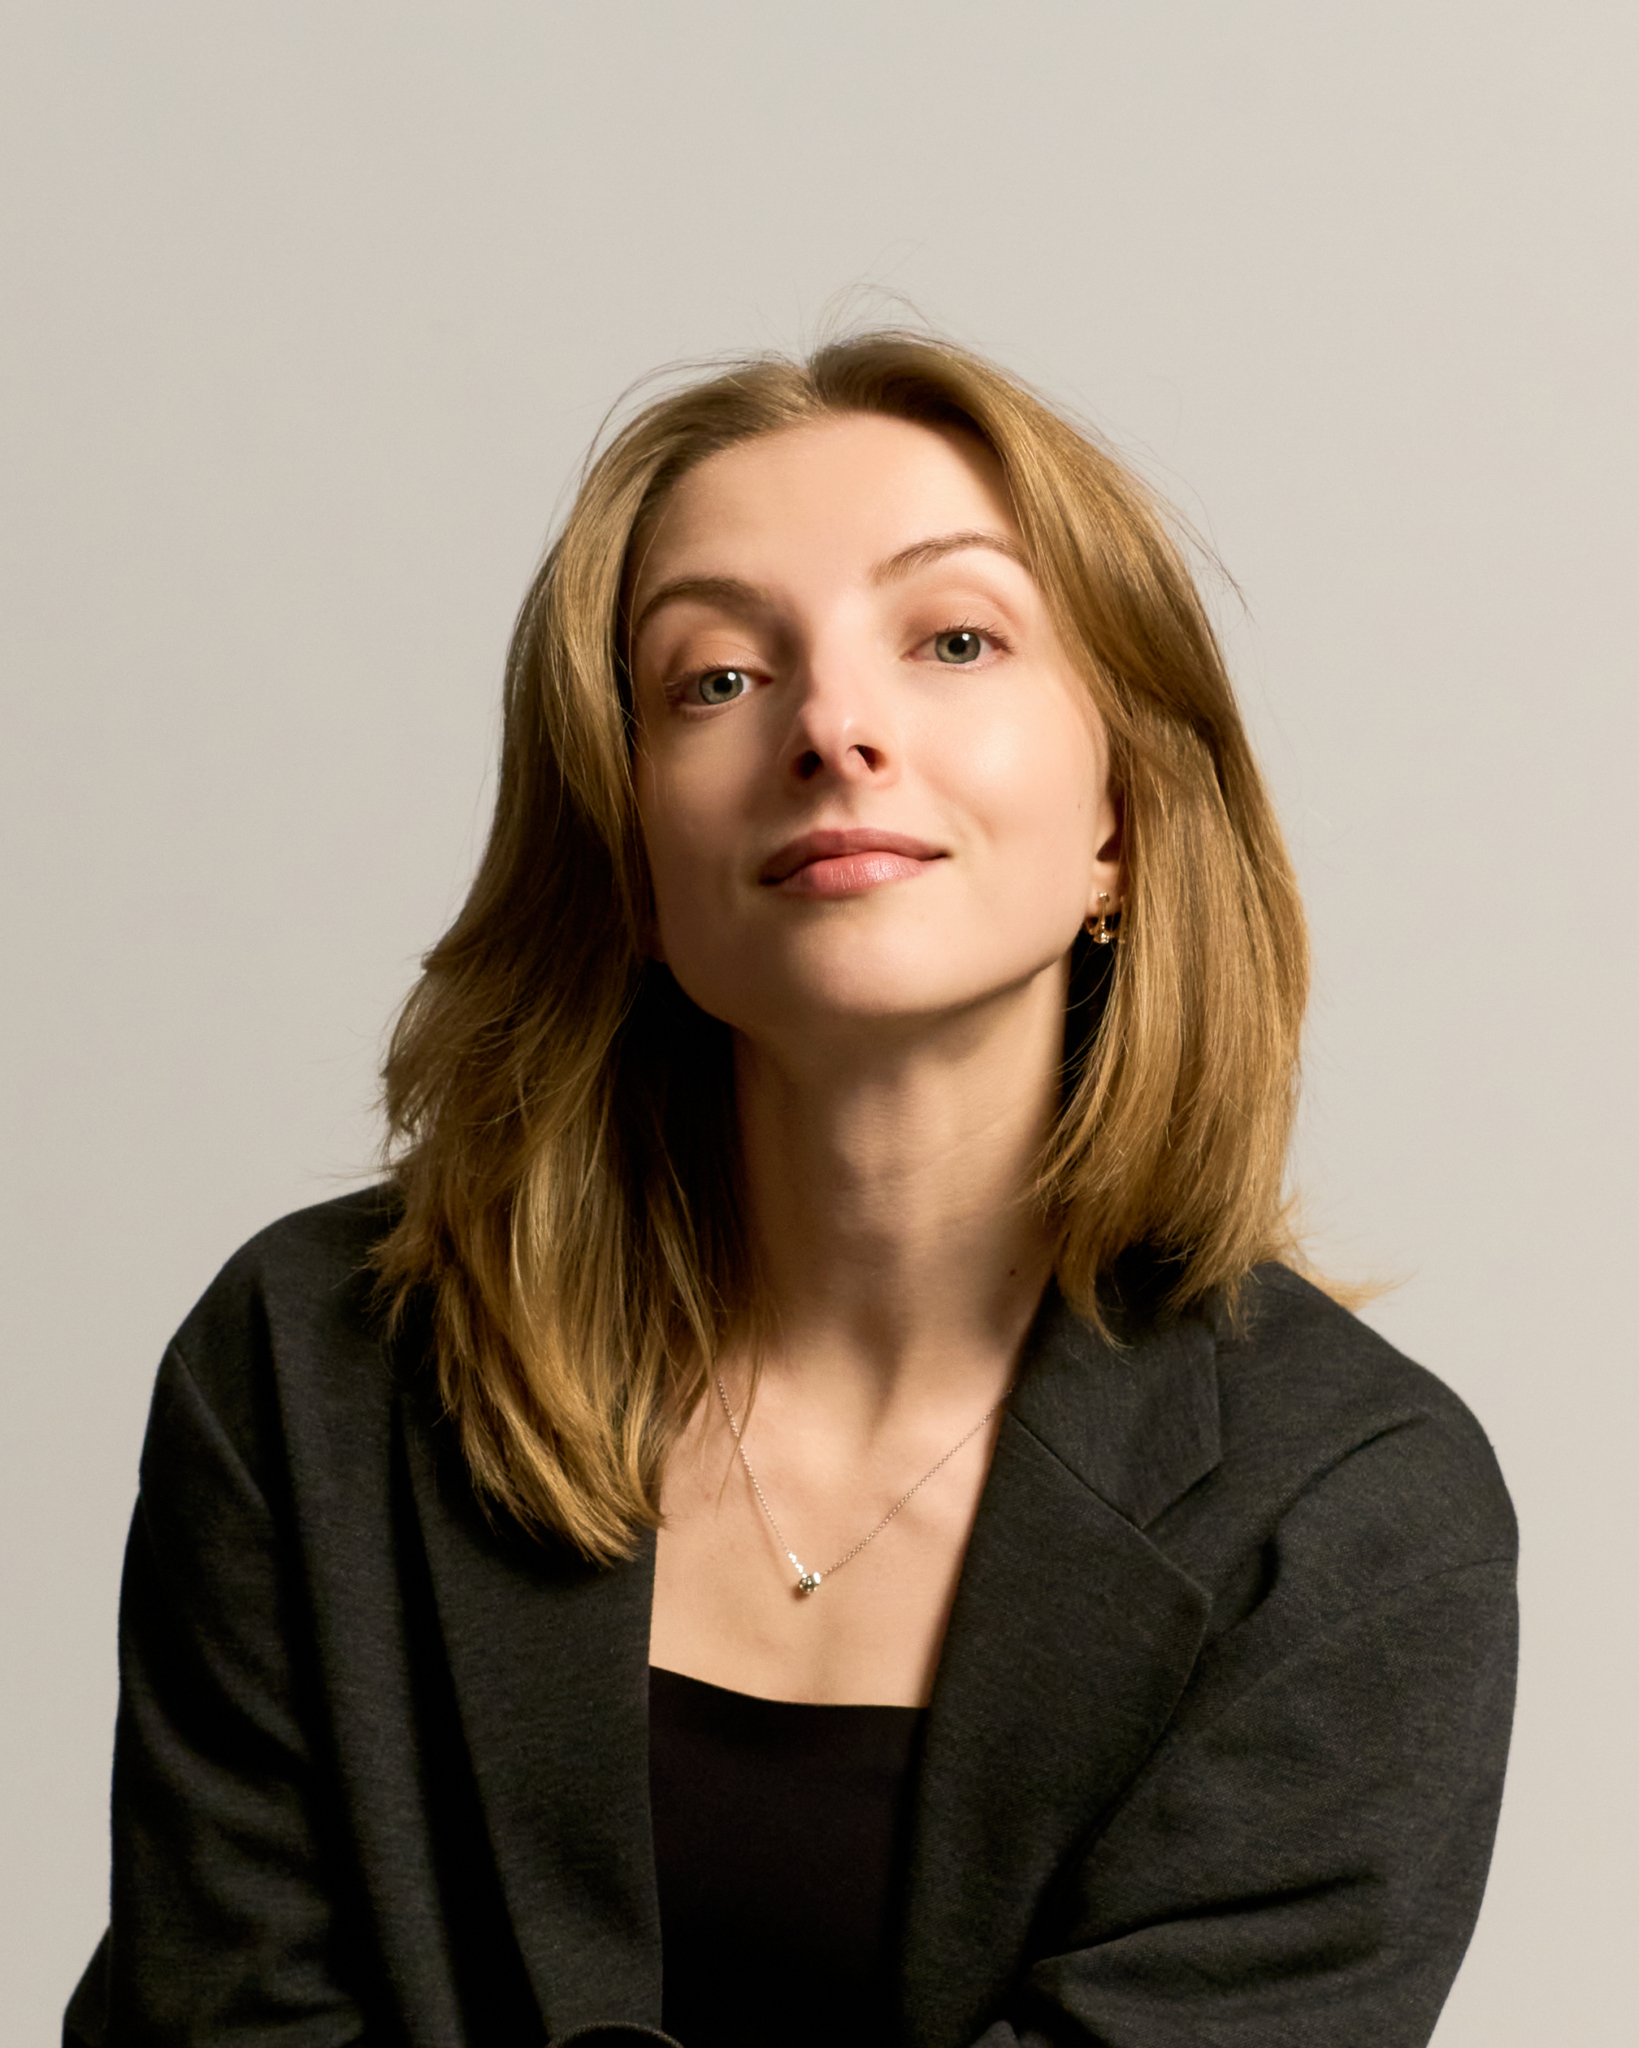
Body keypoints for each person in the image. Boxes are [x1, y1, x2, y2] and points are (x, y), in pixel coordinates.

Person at [65, 333, 1516, 2048]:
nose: (833, 726)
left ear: (1121, 821)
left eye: (955, 640)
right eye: (718, 679)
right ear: (631, 859)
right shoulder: (309, 1376)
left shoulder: (1348, 1520)